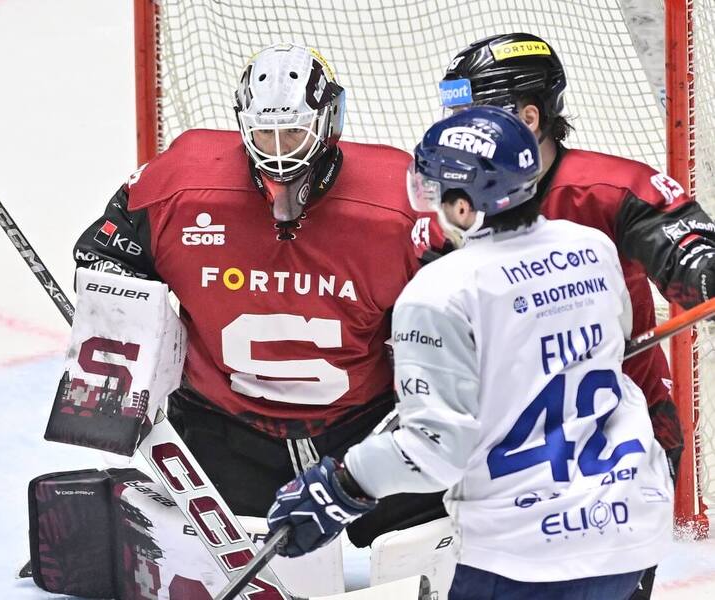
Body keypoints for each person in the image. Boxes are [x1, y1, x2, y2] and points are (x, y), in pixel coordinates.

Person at [267, 105, 674, 600]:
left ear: (465, 208)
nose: (426, 201)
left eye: (434, 188)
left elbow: (434, 452)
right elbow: (605, 342)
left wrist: (342, 485)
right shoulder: (591, 246)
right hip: (628, 521)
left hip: (524, 551)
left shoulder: (440, 291)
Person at [72, 43, 443, 536]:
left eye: (293, 131)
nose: (280, 150)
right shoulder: (178, 186)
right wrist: (122, 362)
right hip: (221, 427)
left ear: (330, 124)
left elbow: (462, 301)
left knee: (437, 543)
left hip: (366, 430)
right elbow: (102, 258)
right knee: (181, 552)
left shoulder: (403, 200)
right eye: (264, 134)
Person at [431, 33, 715, 597]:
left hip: (614, 431)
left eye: (473, 113)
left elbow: (685, 247)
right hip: (497, 439)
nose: (460, 127)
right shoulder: (453, 191)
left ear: (528, 116)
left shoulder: (606, 187)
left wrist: (703, 269)